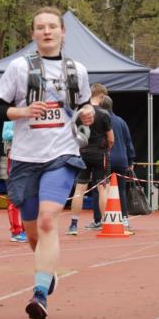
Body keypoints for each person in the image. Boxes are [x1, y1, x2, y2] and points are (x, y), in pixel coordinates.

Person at [0, 6, 95, 319]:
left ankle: (39, 295)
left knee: (49, 221)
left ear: (63, 32)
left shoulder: (77, 70)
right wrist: (23, 112)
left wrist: (88, 113)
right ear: (33, 34)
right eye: (40, 27)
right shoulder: (19, 68)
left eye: (52, 26)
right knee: (33, 232)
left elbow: (83, 106)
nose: (47, 31)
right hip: (25, 159)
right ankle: (47, 272)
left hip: (62, 155)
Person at [68, 82, 114, 235]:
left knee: (80, 188)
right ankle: (105, 223)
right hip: (100, 153)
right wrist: (106, 150)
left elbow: (73, 135)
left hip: (83, 152)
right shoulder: (104, 114)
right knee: (103, 188)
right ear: (101, 96)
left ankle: (73, 225)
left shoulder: (80, 113)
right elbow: (111, 139)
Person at [98, 94, 135, 231]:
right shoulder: (121, 121)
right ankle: (124, 218)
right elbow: (128, 142)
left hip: (105, 159)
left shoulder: (99, 120)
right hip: (121, 160)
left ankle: (100, 219)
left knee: (101, 190)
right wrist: (131, 160)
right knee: (121, 190)